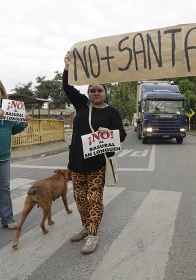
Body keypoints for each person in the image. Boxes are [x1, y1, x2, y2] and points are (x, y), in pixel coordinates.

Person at [63, 52, 127, 254]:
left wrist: (109, 133)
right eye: (92, 90)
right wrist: (67, 67)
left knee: (95, 199)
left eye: (100, 90)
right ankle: (84, 226)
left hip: (97, 164)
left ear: (105, 93)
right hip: (76, 162)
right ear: (88, 93)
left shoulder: (112, 113)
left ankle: (92, 235)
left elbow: (122, 136)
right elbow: (67, 87)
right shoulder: (82, 105)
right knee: (80, 198)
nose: (96, 93)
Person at [0, 79, 31, 240]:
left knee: (4, 189)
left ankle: (7, 219)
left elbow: (13, 129)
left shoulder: (9, 109)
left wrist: (23, 123)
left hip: (3, 157)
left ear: (2, 93)